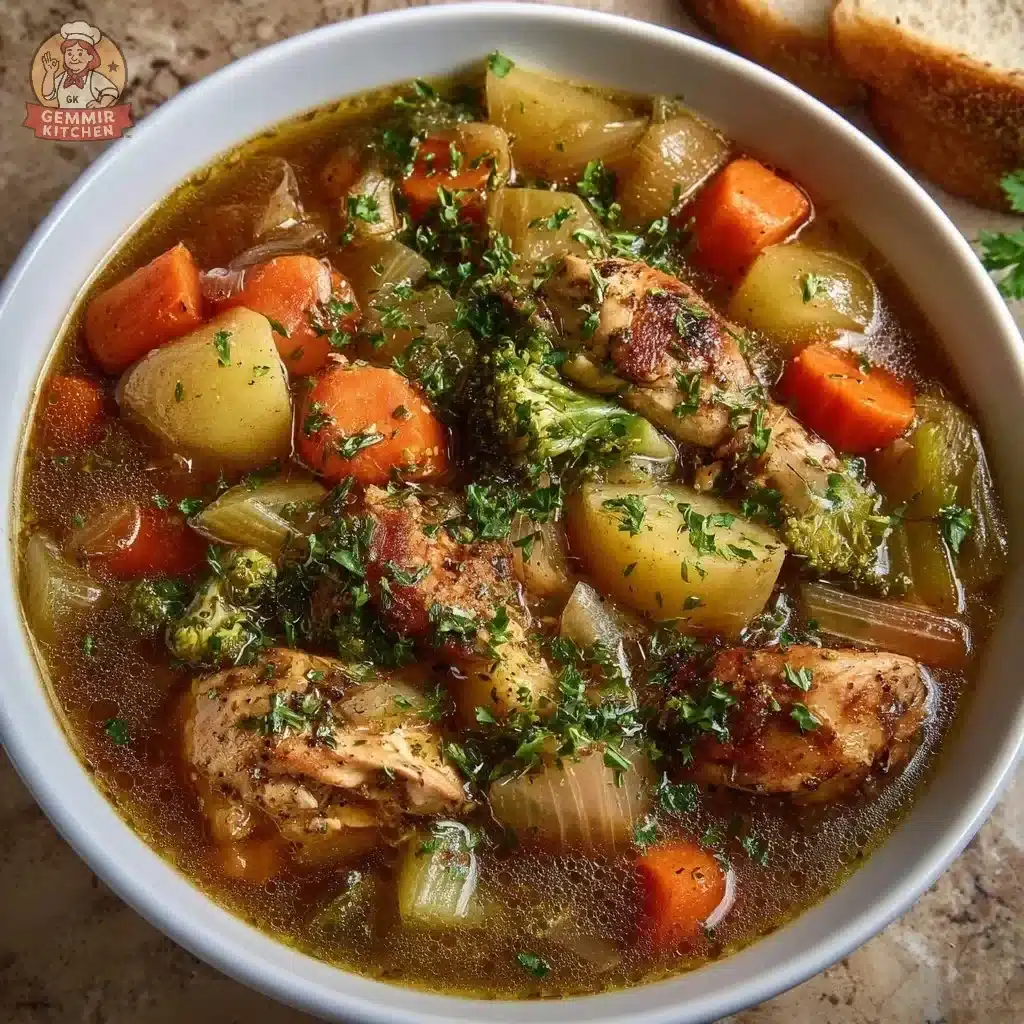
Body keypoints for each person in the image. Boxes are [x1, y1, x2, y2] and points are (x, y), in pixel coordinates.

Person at [40, 21, 118, 109]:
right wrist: (50, 73)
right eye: (69, 53)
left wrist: (102, 104)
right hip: (64, 120)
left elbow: (111, 91)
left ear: (90, 57)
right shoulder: (62, 77)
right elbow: (48, 94)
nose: (74, 58)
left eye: (80, 54)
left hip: (88, 121)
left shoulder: (94, 78)